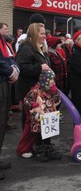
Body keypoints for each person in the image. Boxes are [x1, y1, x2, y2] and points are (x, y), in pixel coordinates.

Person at [16, 70, 62, 161]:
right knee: (39, 135)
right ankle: (40, 151)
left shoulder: (51, 89)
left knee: (48, 135)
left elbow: (57, 98)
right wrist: (34, 105)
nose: (53, 81)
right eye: (51, 79)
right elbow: (26, 101)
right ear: (45, 80)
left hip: (49, 118)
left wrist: (55, 92)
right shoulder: (35, 91)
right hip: (39, 119)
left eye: (53, 79)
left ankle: (48, 149)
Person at [16, 23, 51, 129]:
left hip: (36, 91)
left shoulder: (37, 48)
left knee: (34, 121)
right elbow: (22, 68)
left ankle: (36, 144)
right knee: (30, 121)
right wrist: (40, 67)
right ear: (34, 34)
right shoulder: (27, 48)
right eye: (42, 33)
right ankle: (25, 146)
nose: (45, 36)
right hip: (29, 91)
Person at [0, 23, 19, 180]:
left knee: (2, 123)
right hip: (2, 82)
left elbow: (11, 59)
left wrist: (14, 70)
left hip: (5, 82)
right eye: (4, 28)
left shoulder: (4, 43)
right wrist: (10, 72)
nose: (7, 31)